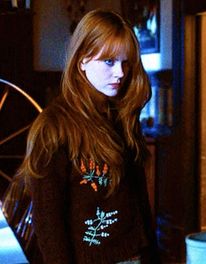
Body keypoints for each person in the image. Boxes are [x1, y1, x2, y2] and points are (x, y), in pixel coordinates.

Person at [18, 9, 159, 264]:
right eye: (109, 61)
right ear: (82, 60)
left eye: (125, 62)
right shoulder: (54, 128)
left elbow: (140, 208)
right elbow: (49, 225)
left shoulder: (124, 118)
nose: (120, 73)